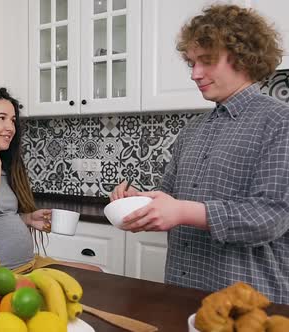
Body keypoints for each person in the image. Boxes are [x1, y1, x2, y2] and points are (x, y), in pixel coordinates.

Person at [111, 4, 289, 304]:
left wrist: (183, 212)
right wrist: (140, 202)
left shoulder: (279, 122)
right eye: (191, 62)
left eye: (206, 61)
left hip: (249, 304)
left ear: (244, 57)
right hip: (182, 292)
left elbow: (270, 216)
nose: (195, 73)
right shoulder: (193, 129)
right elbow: (170, 196)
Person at [0, 88, 100, 296]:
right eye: (2, 118)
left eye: (13, 120)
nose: (10, 127)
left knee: (96, 274)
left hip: (26, 268)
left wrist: (27, 219)